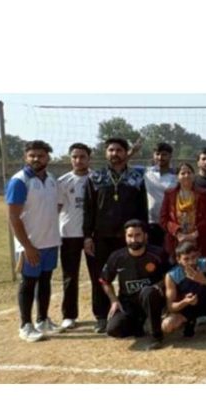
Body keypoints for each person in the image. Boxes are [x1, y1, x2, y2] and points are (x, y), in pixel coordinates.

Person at [84, 137, 148, 333]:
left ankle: (135, 313)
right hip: (101, 237)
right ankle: (102, 316)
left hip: (128, 239)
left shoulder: (136, 178)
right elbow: (88, 209)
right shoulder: (95, 177)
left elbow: (142, 209)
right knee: (100, 276)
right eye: (111, 150)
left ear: (125, 152)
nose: (115, 153)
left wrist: (142, 234)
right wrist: (87, 236)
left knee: (131, 276)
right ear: (106, 153)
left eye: (119, 150)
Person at [6, 140, 62, 342]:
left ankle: (42, 320)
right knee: (28, 283)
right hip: (30, 245)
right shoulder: (20, 181)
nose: (36, 159)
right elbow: (13, 217)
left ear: (48, 158)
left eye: (40, 155)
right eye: (32, 155)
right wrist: (27, 246)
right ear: (25, 157)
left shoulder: (51, 179)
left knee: (46, 281)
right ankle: (25, 325)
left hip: (50, 241)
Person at [99, 220, 168, 350]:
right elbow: (104, 280)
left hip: (151, 300)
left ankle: (156, 336)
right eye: (130, 236)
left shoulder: (158, 254)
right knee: (113, 329)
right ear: (125, 237)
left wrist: (159, 285)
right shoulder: (117, 257)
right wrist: (114, 300)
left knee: (148, 292)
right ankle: (141, 324)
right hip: (128, 303)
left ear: (145, 236)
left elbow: (170, 275)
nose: (133, 239)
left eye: (137, 235)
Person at [57, 142, 95, 330]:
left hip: (92, 236)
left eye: (82, 157)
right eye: (75, 157)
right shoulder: (63, 181)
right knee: (70, 276)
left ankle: (101, 314)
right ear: (70, 158)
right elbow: (56, 209)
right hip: (69, 235)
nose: (78, 160)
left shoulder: (97, 179)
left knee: (97, 275)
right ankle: (69, 315)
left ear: (89, 158)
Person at [162, 241, 206, 342]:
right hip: (188, 308)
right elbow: (171, 307)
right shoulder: (172, 276)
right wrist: (185, 301)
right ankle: (189, 322)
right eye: (186, 259)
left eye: (194, 257)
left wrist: (203, 280)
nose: (191, 262)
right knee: (167, 326)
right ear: (178, 260)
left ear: (198, 255)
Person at [159, 162, 206, 261]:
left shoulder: (203, 193)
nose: (186, 175)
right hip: (177, 241)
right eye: (182, 173)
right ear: (177, 177)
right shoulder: (170, 194)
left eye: (189, 173)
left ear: (194, 175)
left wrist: (196, 233)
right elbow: (163, 219)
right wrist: (178, 233)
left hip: (200, 239)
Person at [144, 142, 178, 247]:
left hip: (171, 222)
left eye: (164, 154)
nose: (160, 157)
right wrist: (132, 152)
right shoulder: (145, 172)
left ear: (170, 156)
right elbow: (123, 165)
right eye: (157, 154)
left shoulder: (177, 175)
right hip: (151, 222)